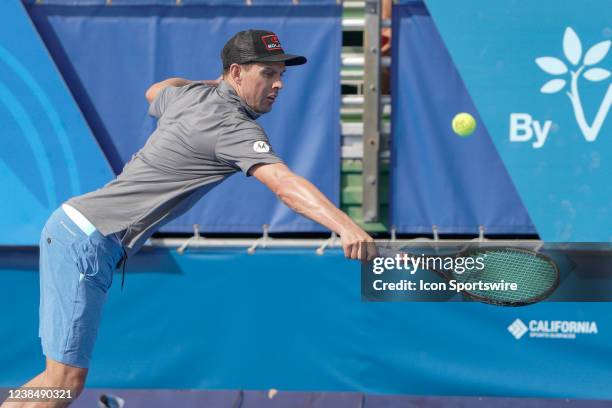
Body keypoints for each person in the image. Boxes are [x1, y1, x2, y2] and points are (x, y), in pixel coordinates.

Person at [2, 29, 375, 407]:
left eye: (281, 75)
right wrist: (345, 225)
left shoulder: (188, 96)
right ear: (236, 72)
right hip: (87, 240)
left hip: (76, 230)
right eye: (267, 73)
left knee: (59, 379)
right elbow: (283, 184)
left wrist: (212, 83)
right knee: (63, 382)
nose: (278, 84)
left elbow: (155, 88)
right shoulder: (232, 126)